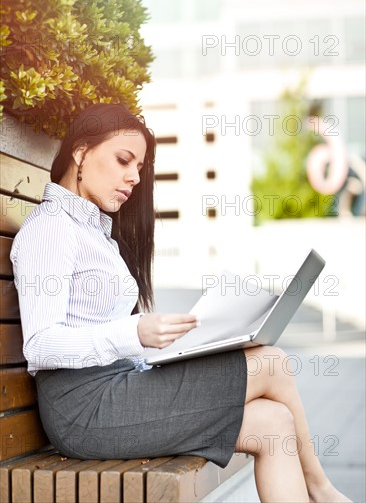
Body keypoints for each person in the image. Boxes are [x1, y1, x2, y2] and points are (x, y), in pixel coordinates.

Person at [10, 103, 351, 503]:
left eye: (139, 166)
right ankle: (322, 491)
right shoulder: (51, 229)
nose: (134, 177)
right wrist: (132, 333)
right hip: (86, 411)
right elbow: (40, 345)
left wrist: (180, 344)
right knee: (270, 362)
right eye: (124, 160)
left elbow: (103, 329)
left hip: (117, 390)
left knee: (273, 423)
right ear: (81, 152)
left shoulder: (94, 231)